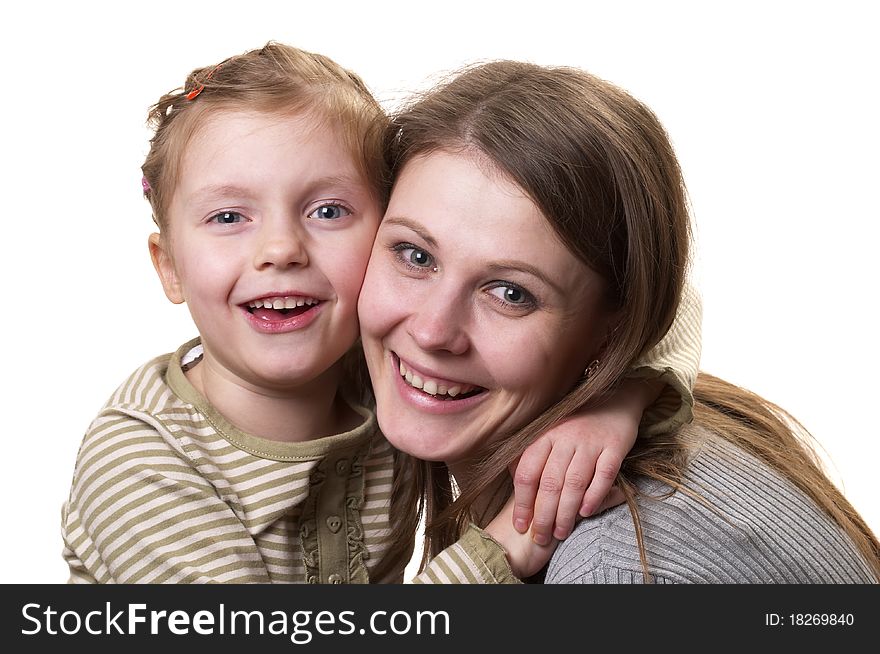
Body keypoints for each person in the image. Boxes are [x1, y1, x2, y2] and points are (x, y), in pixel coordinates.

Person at [60, 43, 702, 584]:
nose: (281, 249)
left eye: (329, 211)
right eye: (229, 217)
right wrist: (497, 554)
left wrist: (617, 397)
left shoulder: (380, 375)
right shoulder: (140, 464)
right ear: (167, 264)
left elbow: (664, 305)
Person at [359, 60, 880, 583]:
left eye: (511, 293)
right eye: (415, 256)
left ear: (615, 331)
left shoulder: (616, 567)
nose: (431, 332)